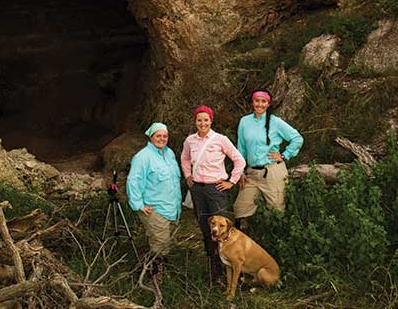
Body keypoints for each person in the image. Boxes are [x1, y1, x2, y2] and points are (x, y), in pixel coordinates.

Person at [181, 105, 246, 285]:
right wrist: (187, 176)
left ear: (211, 121)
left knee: (224, 231)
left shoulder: (220, 140)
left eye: (206, 120)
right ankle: (214, 272)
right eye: (199, 120)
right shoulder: (190, 141)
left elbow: (239, 160)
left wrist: (232, 181)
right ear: (195, 121)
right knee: (206, 230)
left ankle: (235, 272)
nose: (203, 123)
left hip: (216, 190)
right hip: (198, 190)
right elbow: (185, 158)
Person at [233, 89, 304, 227]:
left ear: (268, 104)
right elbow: (240, 149)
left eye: (263, 101)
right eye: (257, 101)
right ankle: (244, 243)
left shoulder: (275, 122)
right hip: (252, 174)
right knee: (240, 210)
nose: (259, 104)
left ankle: (277, 243)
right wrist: (240, 172)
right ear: (252, 102)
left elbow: (297, 138)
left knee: (277, 211)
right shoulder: (244, 122)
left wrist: (284, 155)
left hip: (273, 172)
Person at [126, 122, 182, 274]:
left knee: (167, 244)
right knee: (160, 245)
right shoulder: (142, 157)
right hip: (155, 209)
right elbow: (133, 181)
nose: (162, 139)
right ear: (151, 137)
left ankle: (160, 272)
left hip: (172, 208)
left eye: (165, 136)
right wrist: (138, 205)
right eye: (158, 136)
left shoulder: (169, 153)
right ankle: (155, 279)